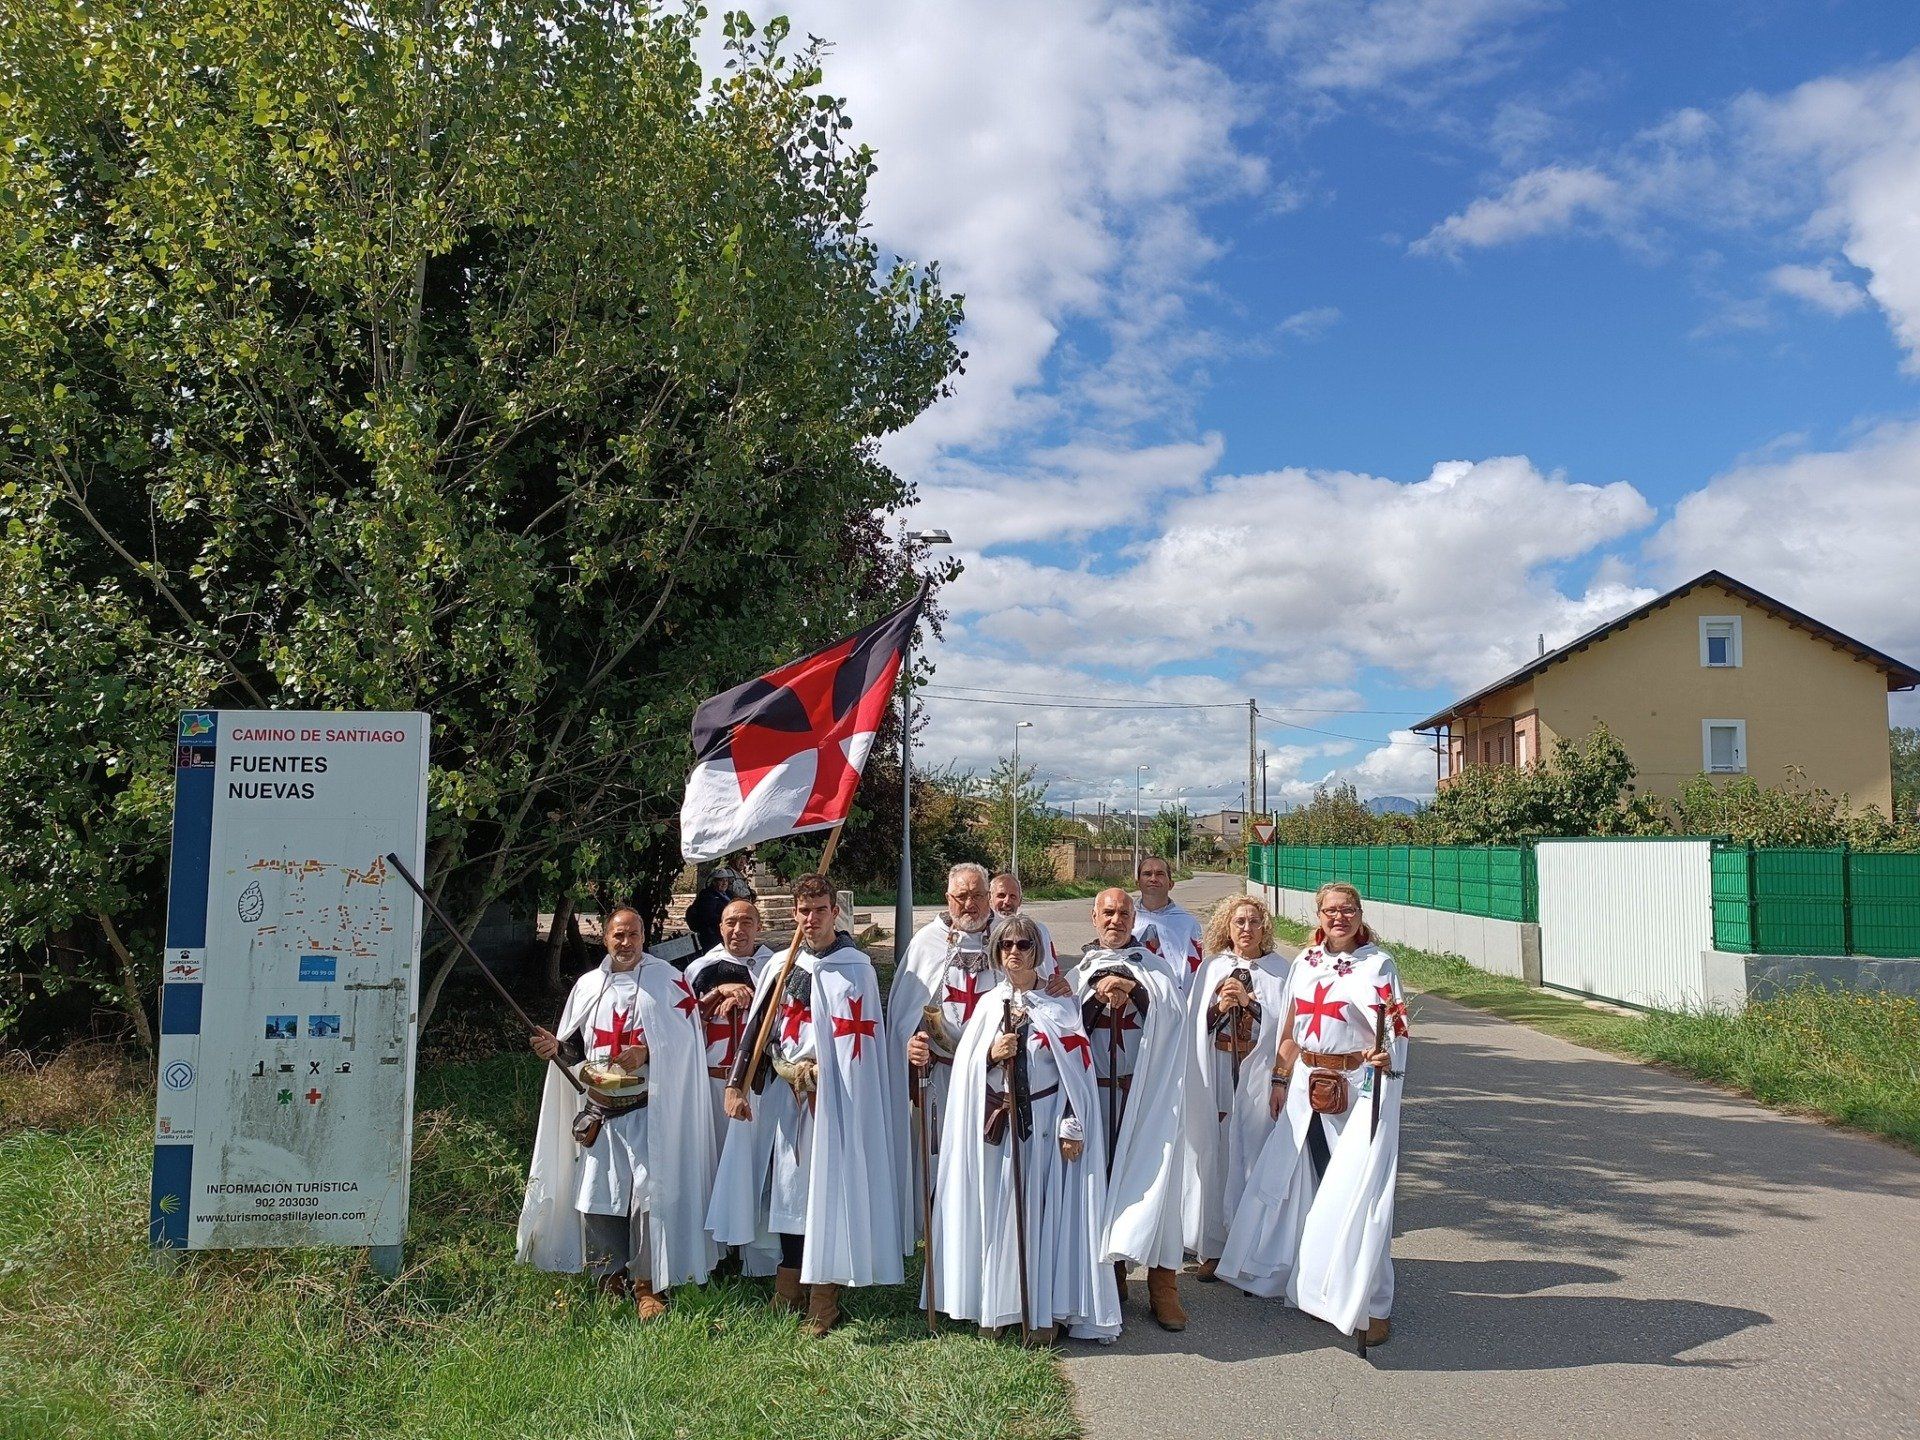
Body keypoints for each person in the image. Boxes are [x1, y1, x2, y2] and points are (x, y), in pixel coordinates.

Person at [707, 875, 908, 1336]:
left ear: (835, 911)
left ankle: (824, 1297)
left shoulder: (855, 968)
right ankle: (789, 1288)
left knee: (829, 1189)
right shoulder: (781, 964)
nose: (811, 919)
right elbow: (758, 1029)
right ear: (794, 913)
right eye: (803, 911)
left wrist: (828, 1076)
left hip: (836, 1101)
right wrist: (737, 1085)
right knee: (790, 1192)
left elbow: (859, 1045)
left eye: (820, 910)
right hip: (784, 1093)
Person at [1216, 882, 1409, 1349]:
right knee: (1290, 1182)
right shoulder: (1305, 962)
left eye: (1347, 909)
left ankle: (1371, 1303)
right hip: (1305, 1085)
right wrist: (1280, 1078)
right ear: (1318, 915)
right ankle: (1291, 1273)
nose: (1338, 917)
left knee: (1358, 1192)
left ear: (1360, 914)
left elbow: (1396, 1029)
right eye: (1330, 910)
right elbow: (1288, 1030)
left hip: (1356, 1089)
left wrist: (1386, 1056)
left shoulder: (1378, 966)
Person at [928, 915, 1120, 1344]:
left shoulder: (1059, 1005)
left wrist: (1072, 1122)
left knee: (1046, 1214)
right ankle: (997, 1306)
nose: (1014, 951)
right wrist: (990, 1055)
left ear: (1037, 951)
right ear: (997, 953)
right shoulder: (988, 1006)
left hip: (1048, 1126)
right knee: (1001, 1213)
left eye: (1023, 944)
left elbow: (1078, 1072)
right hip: (1002, 1127)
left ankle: (1044, 1311)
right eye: (1006, 945)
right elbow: (966, 1072)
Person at [517, 907, 716, 1320]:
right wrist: (556, 1048)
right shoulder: (589, 985)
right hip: (601, 1112)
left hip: (649, 1111)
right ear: (606, 938)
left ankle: (647, 1284)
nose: (625, 943)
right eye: (618, 935)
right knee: (597, 1194)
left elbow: (687, 1043)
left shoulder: (668, 981)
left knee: (647, 1197)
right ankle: (608, 1277)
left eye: (633, 935)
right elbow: (575, 1049)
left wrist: (647, 1051)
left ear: (644, 937)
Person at [1072, 887, 1189, 1331]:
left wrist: (1135, 990)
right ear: (1094, 917)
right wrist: (1096, 994)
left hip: (1146, 1098)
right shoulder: (1080, 971)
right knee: (1100, 1185)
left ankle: (1163, 1285)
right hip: (1097, 1097)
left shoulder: (1153, 967)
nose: (1115, 920)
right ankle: (1113, 1275)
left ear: (1134, 919)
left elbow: (1174, 1017)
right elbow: (1065, 1027)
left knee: (1155, 1184)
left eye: (1123, 913)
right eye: (1107, 913)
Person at [1180, 894, 1291, 1280]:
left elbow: (1286, 1026)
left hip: (1257, 1076)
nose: (1247, 928)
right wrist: (1219, 1008)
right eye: (1239, 922)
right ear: (1227, 927)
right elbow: (1195, 1024)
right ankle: (1214, 1246)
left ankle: (1252, 1248)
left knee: (1254, 1154)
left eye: (1254, 921)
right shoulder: (1212, 968)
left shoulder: (1280, 971)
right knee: (1217, 1155)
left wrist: (1251, 1004)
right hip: (1217, 1072)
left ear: (1265, 928)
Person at [684, 899, 773, 1158]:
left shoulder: (774, 968)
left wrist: (749, 998)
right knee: (711, 1158)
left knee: (757, 1161)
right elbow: (682, 1026)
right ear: (720, 927)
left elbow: (782, 1017)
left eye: (746, 922)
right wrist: (718, 993)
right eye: (731, 923)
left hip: (758, 1083)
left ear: (758, 927)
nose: (738, 930)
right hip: (710, 1084)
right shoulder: (700, 971)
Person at [1135, 855, 1205, 994]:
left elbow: (1195, 970)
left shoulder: (1188, 924)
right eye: (1147, 874)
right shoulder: (1124, 919)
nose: (1153, 879)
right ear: (1138, 883)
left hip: (1175, 996)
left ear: (1171, 884)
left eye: (1160, 874)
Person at [990, 871, 1061, 971]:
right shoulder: (981, 931)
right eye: (1001, 895)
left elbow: (1050, 971)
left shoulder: (1039, 930)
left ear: (1020, 900)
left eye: (1013, 896)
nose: (1007, 901)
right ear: (990, 898)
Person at [684, 871, 732, 954]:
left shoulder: (728, 894)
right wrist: (727, 919)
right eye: (721, 880)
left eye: (726, 880)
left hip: (723, 933)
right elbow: (709, 917)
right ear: (714, 882)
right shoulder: (707, 896)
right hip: (712, 935)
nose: (724, 883)